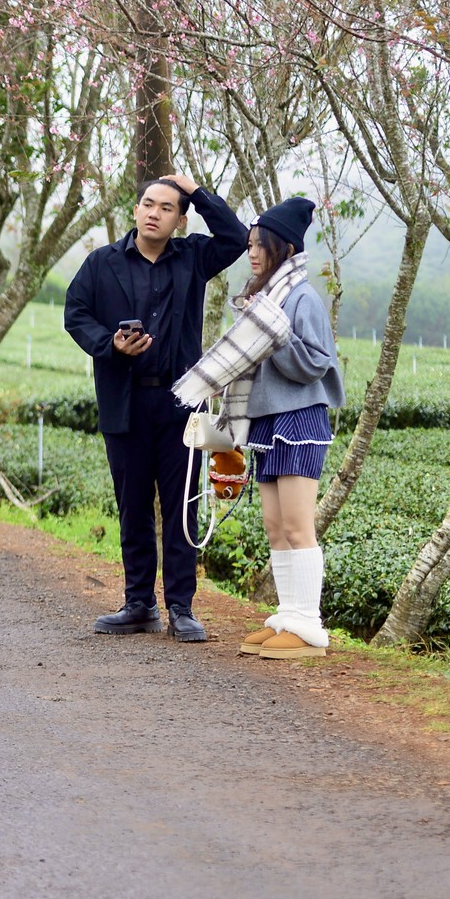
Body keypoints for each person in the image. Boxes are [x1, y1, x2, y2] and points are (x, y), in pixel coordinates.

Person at [64, 173, 247, 642]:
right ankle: (139, 603)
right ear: (135, 210)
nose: (153, 212)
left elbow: (236, 237)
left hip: (181, 402)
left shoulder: (192, 257)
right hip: (123, 400)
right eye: (148, 203)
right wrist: (110, 344)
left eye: (166, 207)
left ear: (180, 220)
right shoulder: (101, 263)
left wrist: (197, 190)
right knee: (133, 505)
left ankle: (182, 607)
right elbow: (75, 314)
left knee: (181, 506)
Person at [173, 197, 343, 659]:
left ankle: (309, 626)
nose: (252, 254)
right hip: (268, 422)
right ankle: (289, 614)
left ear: (284, 249)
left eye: (260, 246)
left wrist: (275, 334)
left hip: (300, 420)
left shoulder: (301, 297)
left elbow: (315, 362)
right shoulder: (266, 300)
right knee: (274, 525)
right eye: (249, 245)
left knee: (296, 523)